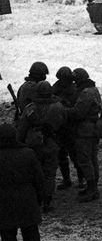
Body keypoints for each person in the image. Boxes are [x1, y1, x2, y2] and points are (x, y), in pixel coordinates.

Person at [0, 123, 47, 241]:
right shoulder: (28, 153)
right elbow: (39, 179)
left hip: (4, 201)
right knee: (31, 233)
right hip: (27, 198)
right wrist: (40, 199)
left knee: (7, 236)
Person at [15, 81, 64, 213]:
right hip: (52, 144)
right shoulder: (58, 107)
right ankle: (47, 202)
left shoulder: (30, 108)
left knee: (35, 173)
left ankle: (36, 200)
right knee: (50, 174)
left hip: (33, 145)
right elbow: (63, 125)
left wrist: (18, 143)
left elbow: (22, 128)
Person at [70, 68, 102, 203]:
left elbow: (78, 112)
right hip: (93, 128)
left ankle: (92, 188)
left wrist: (66, 110)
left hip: (85, 129)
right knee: (92, 157)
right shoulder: (93, 89)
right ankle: (93, 186)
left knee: (84, 158)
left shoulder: (85, 93)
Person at [51, 66, 79, 189]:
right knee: (61, 155)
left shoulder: (75, 89)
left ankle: (81, 179)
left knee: (75, 154)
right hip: (59, 126)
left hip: (71, 125)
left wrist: (63, 102)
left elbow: (76, 107)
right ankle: (66, 179)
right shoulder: (55, 88)